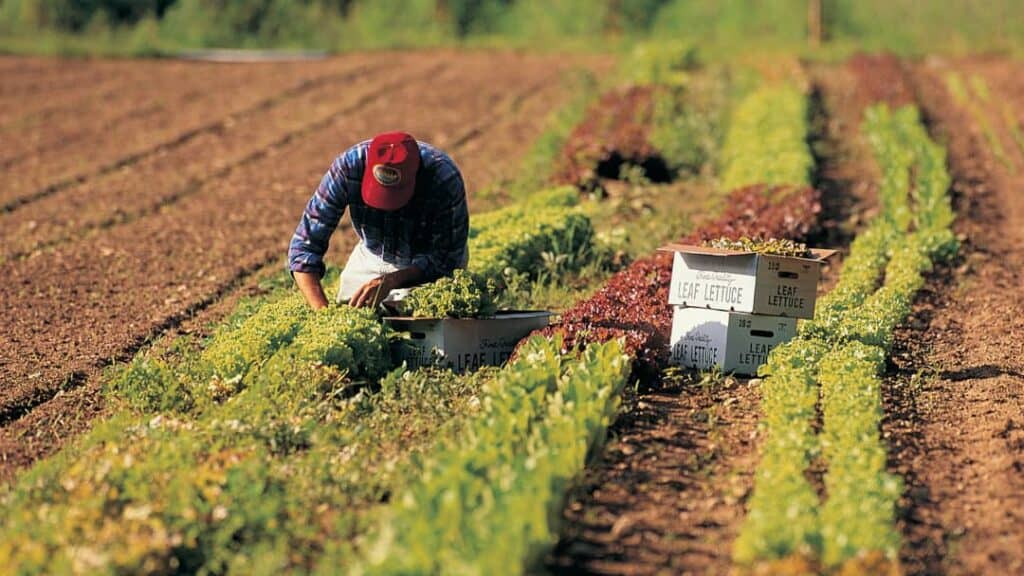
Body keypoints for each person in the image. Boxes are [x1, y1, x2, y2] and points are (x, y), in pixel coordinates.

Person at [288, 131, 469, 309]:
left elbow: (446, 260)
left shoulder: (444, 179)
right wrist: (322, 314)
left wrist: (393, 280)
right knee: (350, 307)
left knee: (421, 326)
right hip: (372, 256)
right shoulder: (348, 167)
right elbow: (305, 246)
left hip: (427, 265)